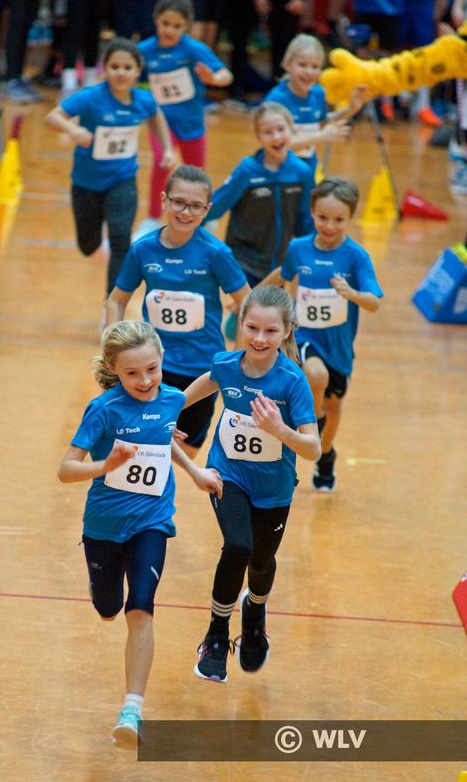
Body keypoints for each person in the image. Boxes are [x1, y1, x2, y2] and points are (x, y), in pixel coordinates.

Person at [58, 320, 222, 746]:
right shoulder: (103, 409)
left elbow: (164, 434)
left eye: (152, 369)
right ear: (114, 369)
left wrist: (195, 471)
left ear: (162, 359)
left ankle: (131, 710)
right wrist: (106, 465)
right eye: (132, 373)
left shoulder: (170, 399)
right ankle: (102, 593)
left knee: (141, 609)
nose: (145, 380)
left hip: (152, 521)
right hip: (104, 526)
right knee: (108, 608)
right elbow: (66, 469)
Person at [179, 285, 320, 682]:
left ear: (287, 331)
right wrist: (162, 416)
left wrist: (280, 430)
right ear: (239, 323)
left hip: (274, 487)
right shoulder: (226, 366)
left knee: (261, 561)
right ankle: (216, 635)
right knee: (238, 546)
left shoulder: (292, 381)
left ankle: (255, 611)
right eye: (252, 328)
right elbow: (194, 392)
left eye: (270, 331)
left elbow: (313, 447)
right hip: (228, 474)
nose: (259, 338)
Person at [106, 165, 250, 459]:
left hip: (203, 370)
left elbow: (248, 304)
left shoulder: (216, 253)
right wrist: (112, 350)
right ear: (164, 200)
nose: (186, 212)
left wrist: (240, 359)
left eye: (196, 206)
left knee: (185, 452)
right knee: (145, 445)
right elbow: (116, 300)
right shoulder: (143, 250)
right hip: (153, 367)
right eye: (179, 202)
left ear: (207, 209)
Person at [262, 177, 383, 491]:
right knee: (316, 375)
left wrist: (351, 293)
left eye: (338, 219)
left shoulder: (356, 256)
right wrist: (250, 297)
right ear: (313, 213)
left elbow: (374, 302)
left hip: (338, 345)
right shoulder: (299, 248)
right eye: (322, 217)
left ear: (350, 217)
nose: (329, 226)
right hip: (305, 337)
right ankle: (312, 422)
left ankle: (326, 453)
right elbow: (283, 274)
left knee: (334, 404)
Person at [44, 38, 175, 299]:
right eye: (115, 67)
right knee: (87, 245)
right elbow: (52, 117)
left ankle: (113, 302)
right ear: (105, 69)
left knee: (120, 237)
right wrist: (73, 130)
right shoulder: (91, 97)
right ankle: (95, 246)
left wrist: (168, 148)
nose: (121, 73)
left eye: (127, 68)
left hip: (123, 179)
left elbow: (156, 117)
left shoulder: (143, 99)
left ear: (138, 71)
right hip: (86, 183)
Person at [204, 101, 315, 330]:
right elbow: (216, 207)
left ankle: (236, 325)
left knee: (266, 321)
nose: (276, 137)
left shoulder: (302, 173)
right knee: (250, 318)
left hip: (278, 264)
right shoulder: (247, 170)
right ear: (258, 136)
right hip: (244, 259)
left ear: (292, 128)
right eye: (268, 132)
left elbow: (305, 222)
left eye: (281, 129)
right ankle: (237, 330)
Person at [134, 0, 233, 238]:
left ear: (186, 26)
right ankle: (152, 218)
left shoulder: (193, 49)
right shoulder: (144, 51)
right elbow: (129, 78)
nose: (170, 30)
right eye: (165, 23)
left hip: (191, 124)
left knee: (197, 175)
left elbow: (225, 75)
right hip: (161, 124)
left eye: (177, 26)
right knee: (161, 161)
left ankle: (203, 217)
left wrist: (213, 78)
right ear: (156, 19)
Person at [264, 34, 368, 174]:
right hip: (278, 173)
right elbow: (277, 145)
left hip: (307, 170)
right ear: (287, 64)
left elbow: (321, 123)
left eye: (315, 67)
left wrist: (351, 108)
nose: (309, 72)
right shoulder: (276, 100)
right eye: (302, 65)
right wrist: (321, 136)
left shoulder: (318, 93)